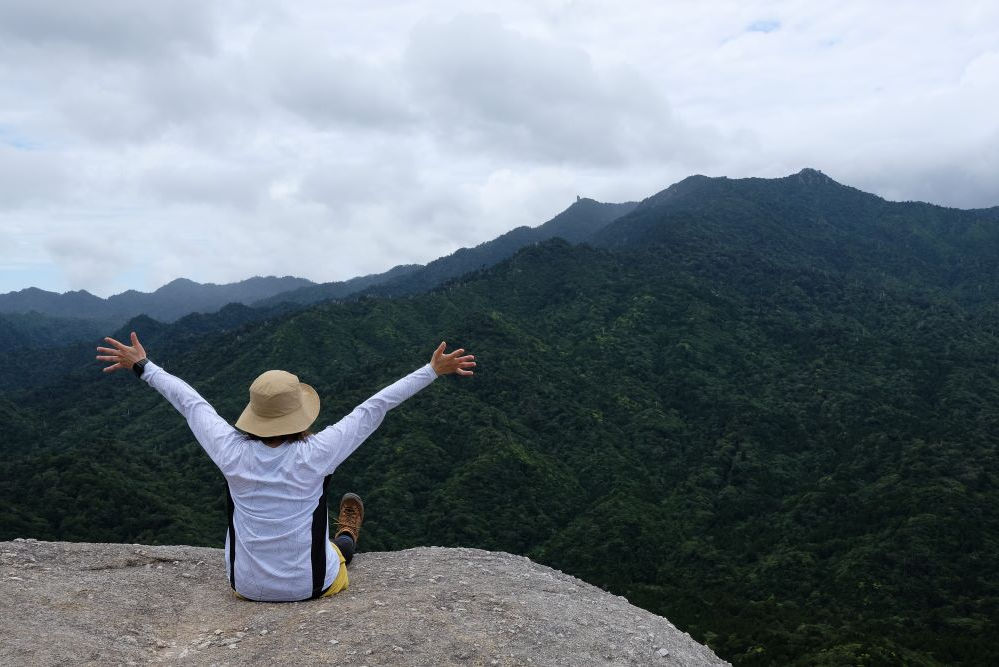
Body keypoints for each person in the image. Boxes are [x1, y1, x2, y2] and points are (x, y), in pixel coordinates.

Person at [96, 331, 475, 602]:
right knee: (335, 551)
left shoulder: (230, 451)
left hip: (242, 587)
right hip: (312, 587)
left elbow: (191, 403)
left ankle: (338, 540)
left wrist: (143, 366)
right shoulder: (317, 452)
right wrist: (431, 370)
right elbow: (374, 407)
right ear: (301, 413)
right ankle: (347, 539)